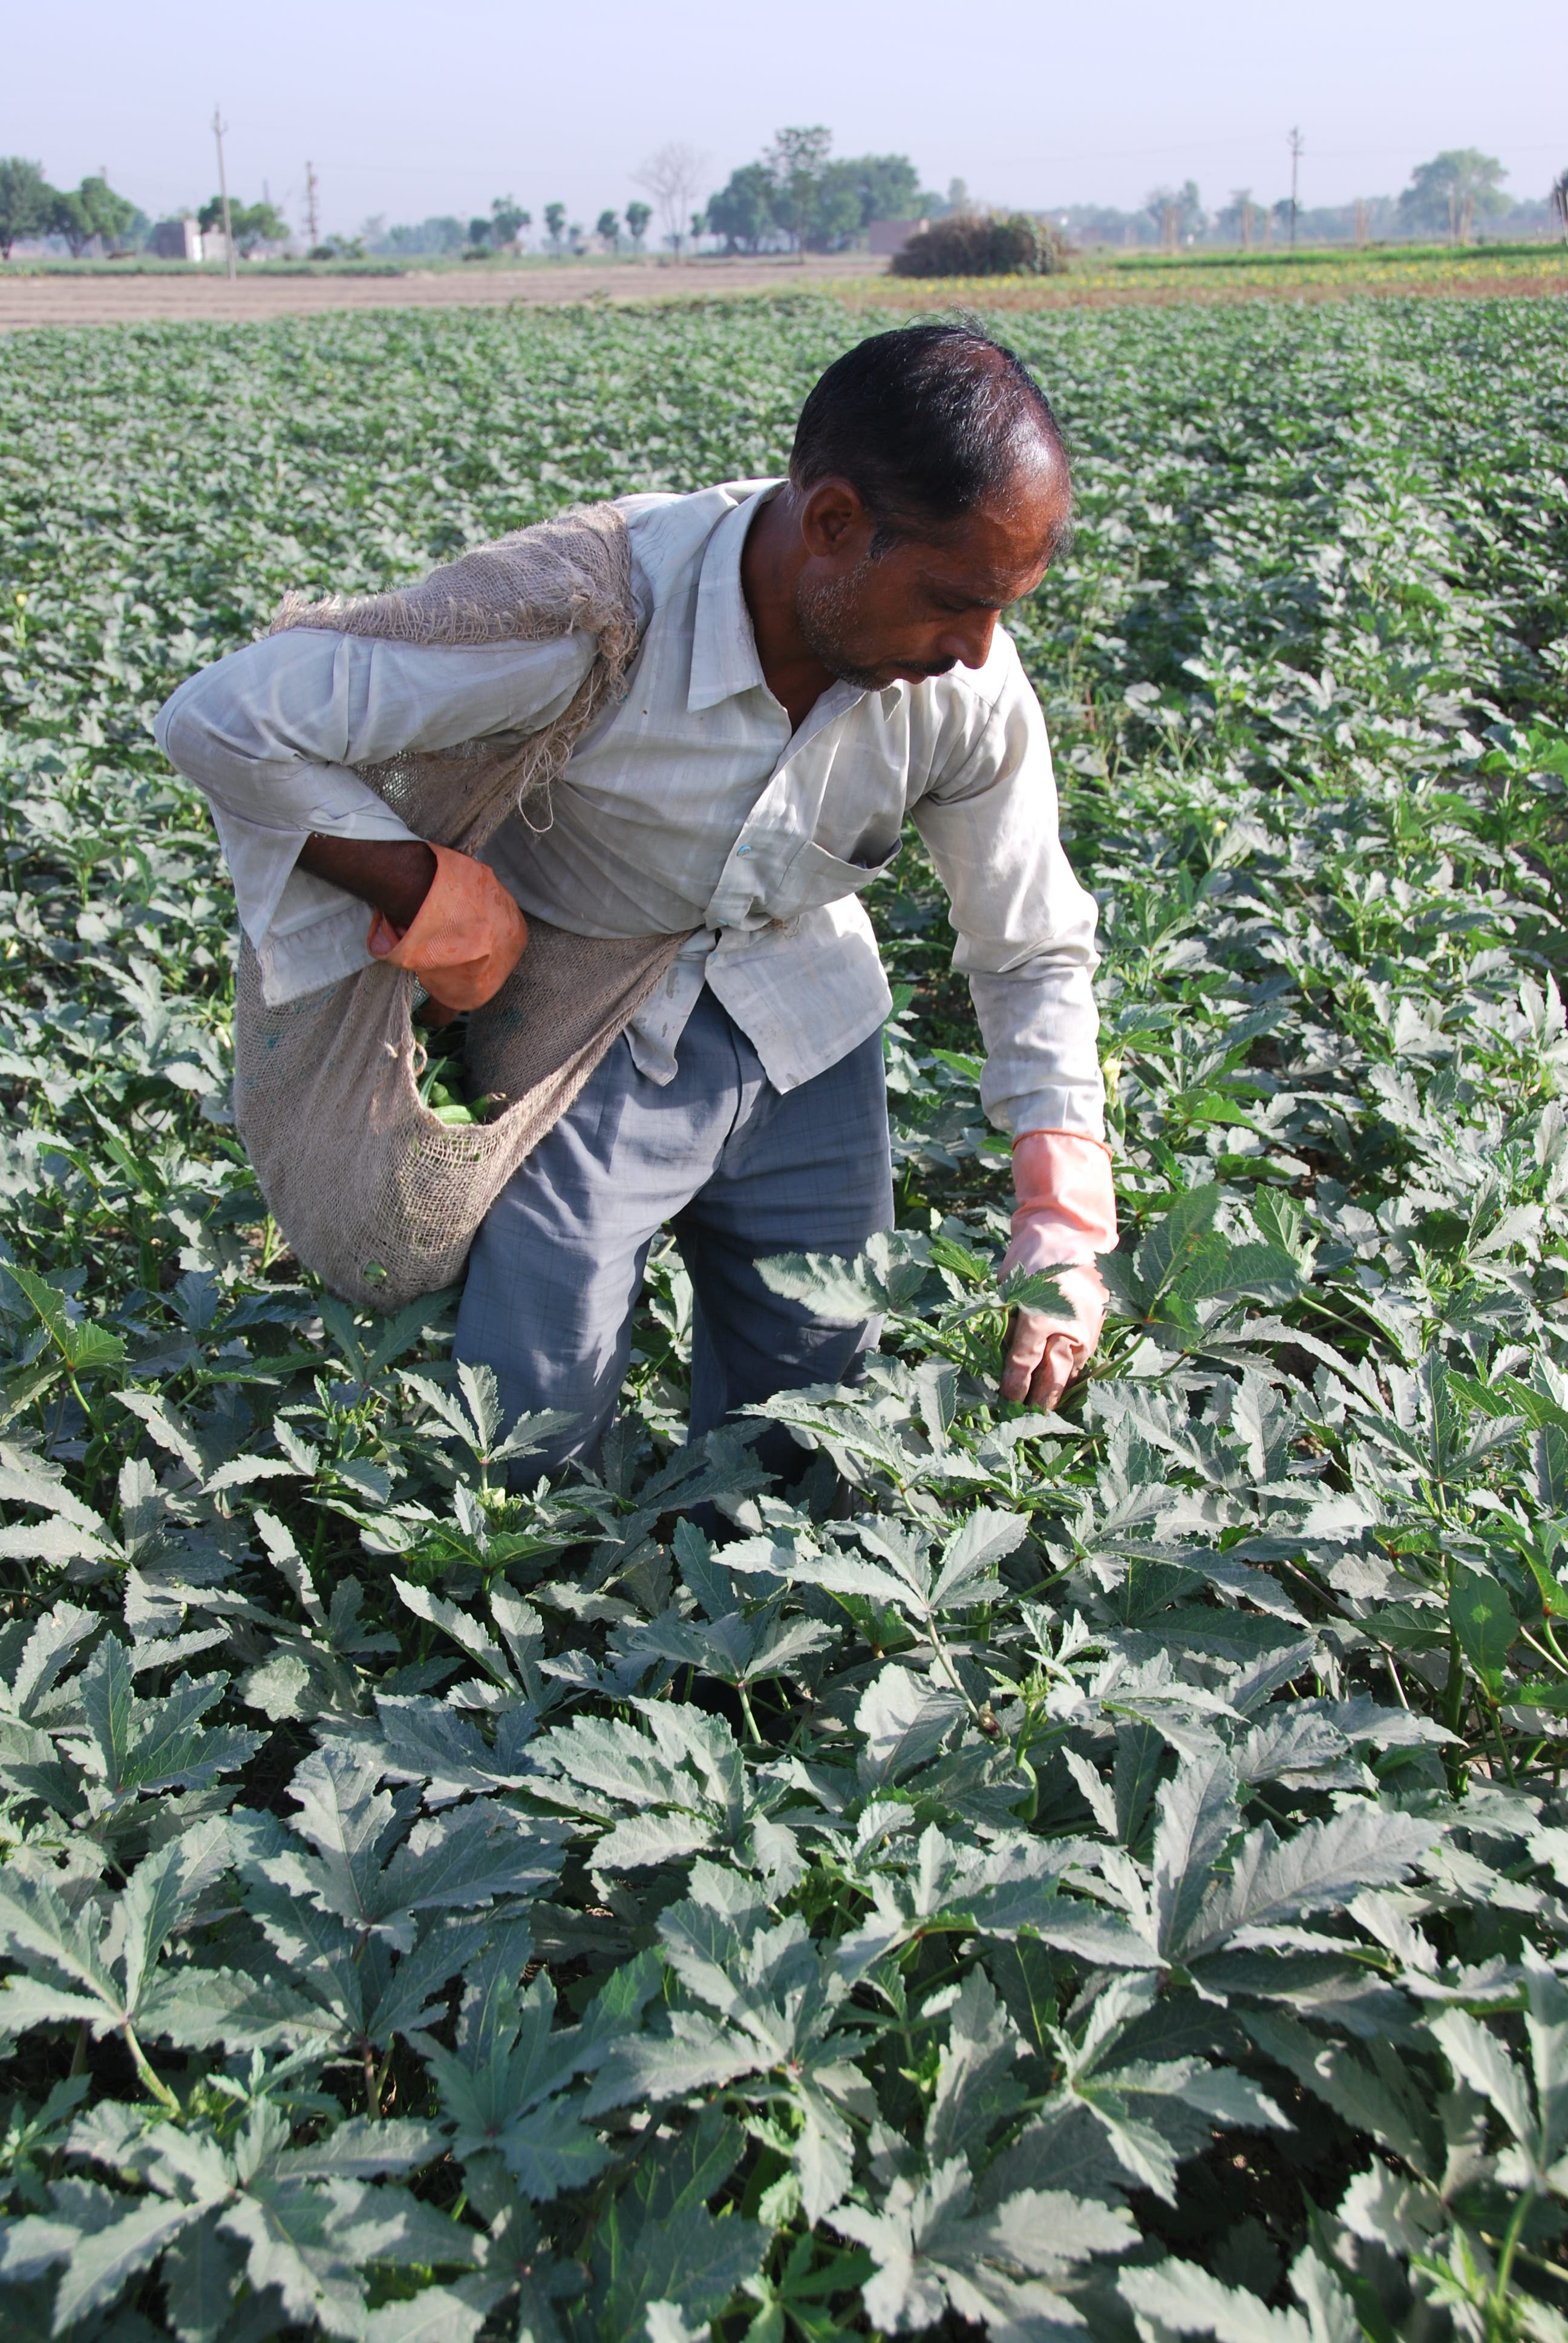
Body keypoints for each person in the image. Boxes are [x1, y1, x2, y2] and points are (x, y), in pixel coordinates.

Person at [155, 323, 1116, 1480]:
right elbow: (225, 717)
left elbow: (1031, 944)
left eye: (1004, 607)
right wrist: (424, 887)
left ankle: (739, 1657)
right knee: (531, 1422)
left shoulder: (965, 688)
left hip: (808, 1024)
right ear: (834, 526)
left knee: (814, 1423)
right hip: (583, 1031)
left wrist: (1062, 1216)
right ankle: (554, 1644)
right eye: (956, 600)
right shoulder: (593, 615)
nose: (978, 649)